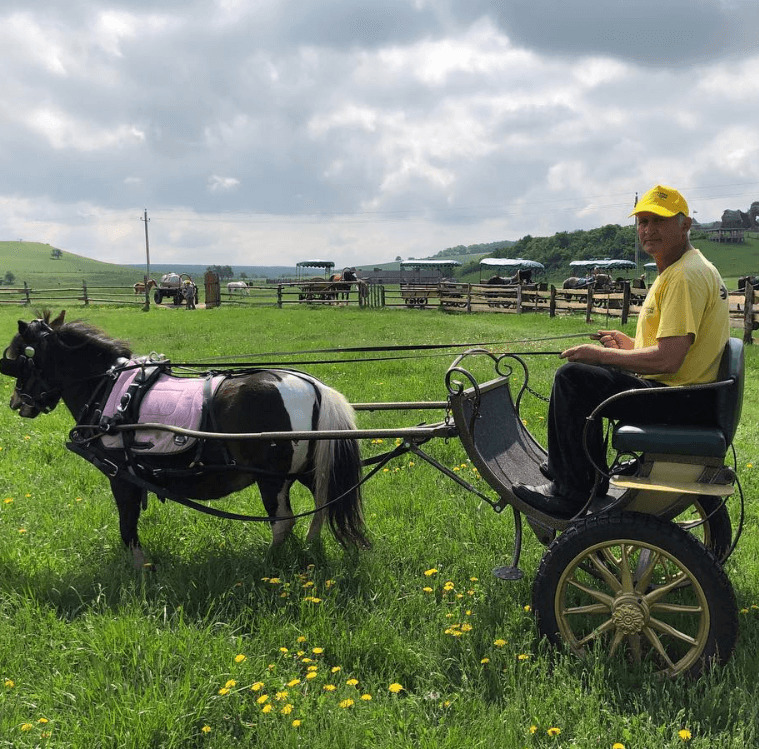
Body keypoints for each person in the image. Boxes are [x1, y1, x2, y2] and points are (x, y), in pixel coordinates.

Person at [513, 184, 730, 518]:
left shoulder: (684, 276)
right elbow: (676, 349)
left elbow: (669, 360)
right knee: (587, 376)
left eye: (658, 220)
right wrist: (630, 347)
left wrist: (602, 356)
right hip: (691, 395)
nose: (648, 229)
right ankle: (578, 472)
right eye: (642, 221)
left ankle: (571, 493)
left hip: (680, 399)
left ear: (685, 225)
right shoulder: (685, 268)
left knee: (574, 378)